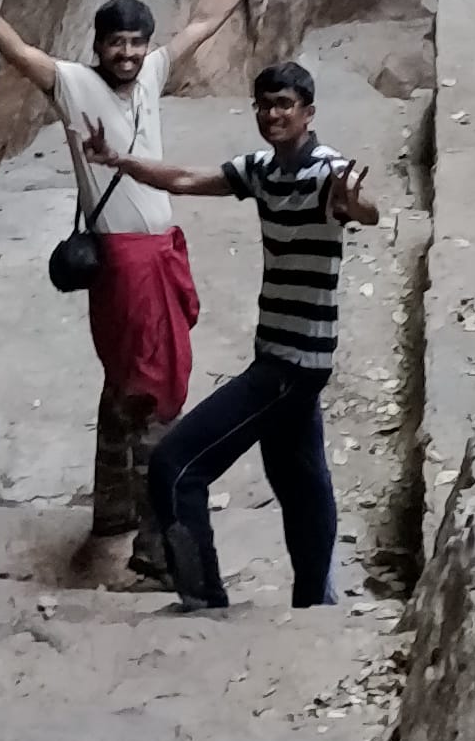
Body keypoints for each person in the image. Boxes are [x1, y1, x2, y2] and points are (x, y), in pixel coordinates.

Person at [0, 0, 292, 582]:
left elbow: (204, 20)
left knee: (124, 388)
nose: (129, 54)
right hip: (129, 266)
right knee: (156, 400)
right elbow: (15, 49)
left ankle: (113, 512)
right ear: (99, 47)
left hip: (154, 255)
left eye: (137, 42)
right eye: (118, 43)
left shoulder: (154, 73)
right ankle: (158, 548)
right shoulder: (73, 83)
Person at [89, 60, 380, 611]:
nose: (273, 114)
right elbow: (184, 179)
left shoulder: (326, 172)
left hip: (289, 366)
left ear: (309, 113)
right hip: (282, 353)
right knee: (300, 482)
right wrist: (117, 161)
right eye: (265, 105)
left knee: (175, 467)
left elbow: (361, 209)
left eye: (285, 105)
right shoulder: (263, 170)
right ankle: (316, 604)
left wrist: (354, 203)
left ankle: (203, 599)